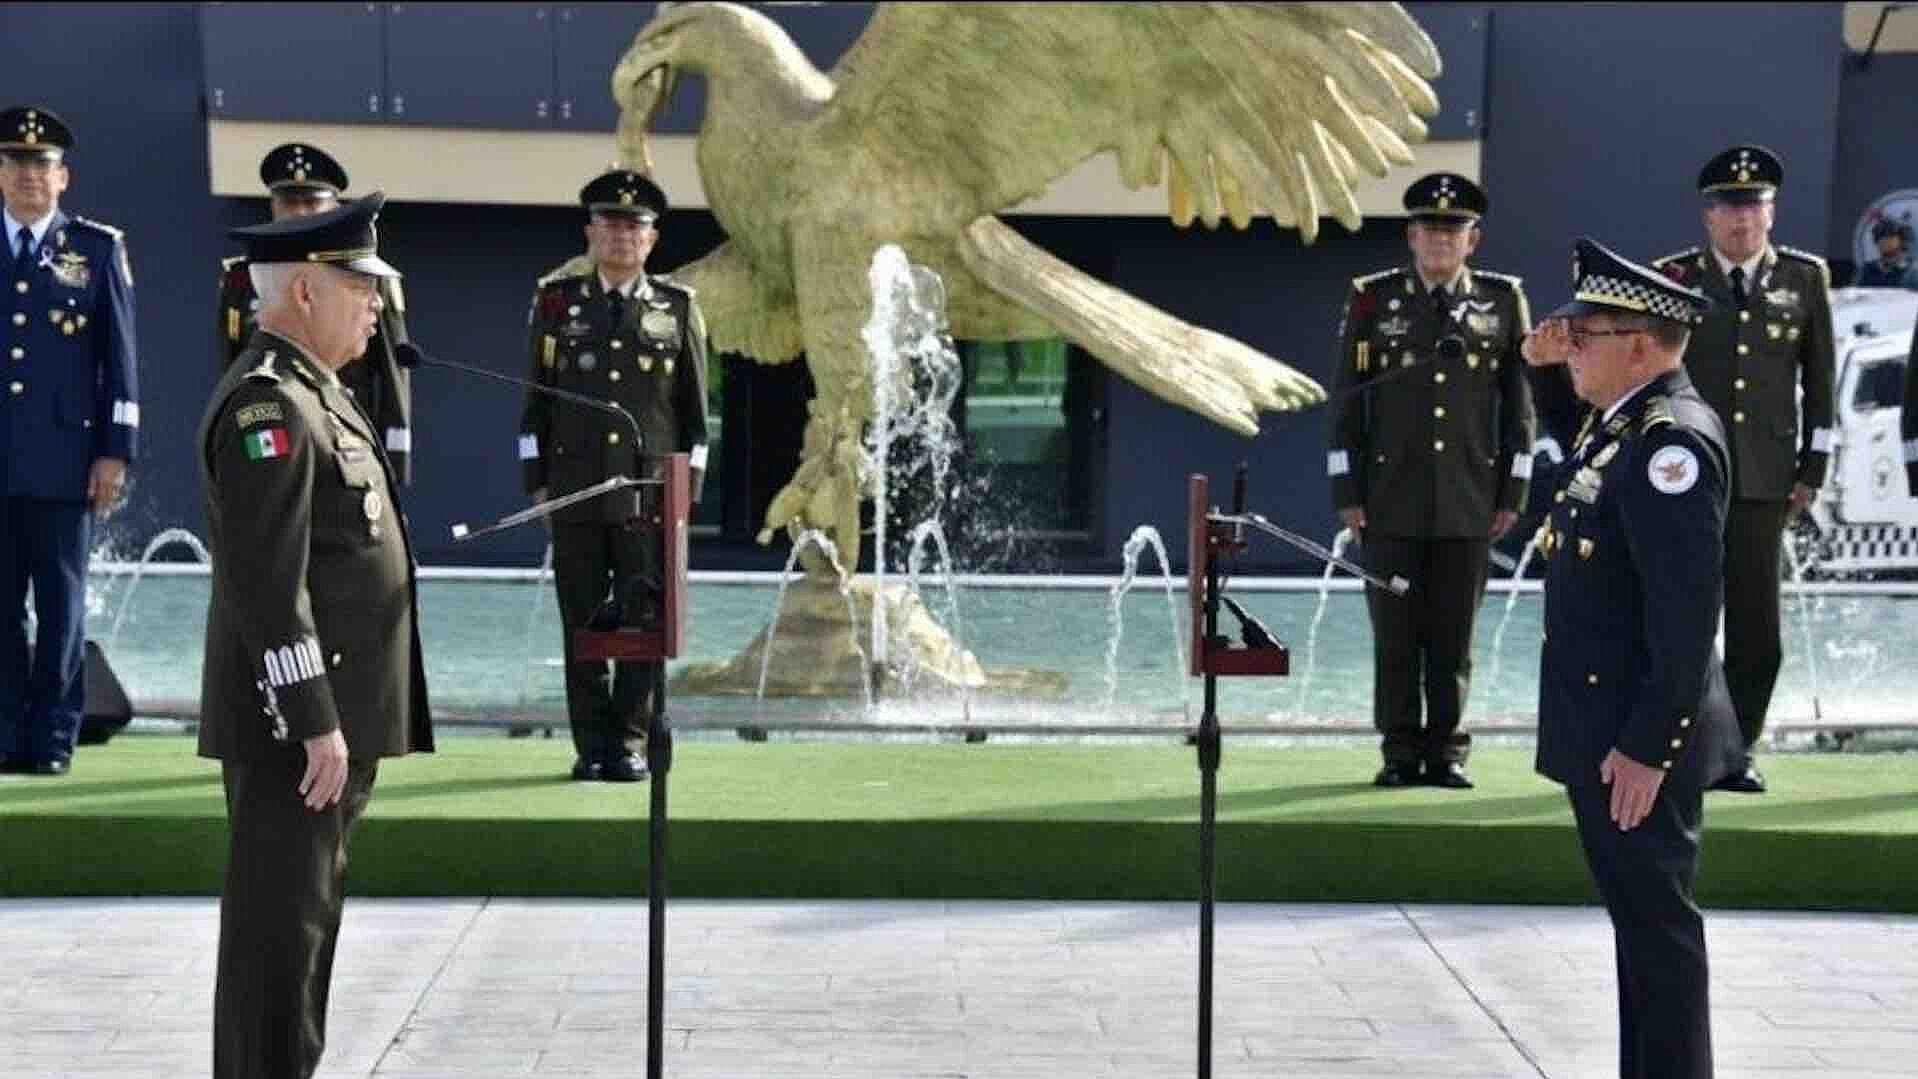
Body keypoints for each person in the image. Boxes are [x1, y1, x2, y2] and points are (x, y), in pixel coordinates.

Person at [196, 192, 432, 1079]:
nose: (374, 300)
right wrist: (312, 716)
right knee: (277, 943)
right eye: (357, 283)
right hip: (298, 733)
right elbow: (266, 583)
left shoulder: (316, 392)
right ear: (304, 292)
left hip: (328, 727)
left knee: (304, 933)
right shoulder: (270, 406)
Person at [1521, 236, 1743, 1079]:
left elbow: (1686, 617)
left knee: (1658, 933)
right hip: (1609, 727)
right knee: (1639, 932)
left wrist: (1651, 743)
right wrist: (1549, 370)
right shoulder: (1625, 427)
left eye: (1586, 335)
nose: (1569, 345)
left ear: (1642, 346)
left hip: (1636, 740)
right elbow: (1581, 458)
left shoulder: (1668, 444)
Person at [1327, 172, 1535, 788]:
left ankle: (1446, 752)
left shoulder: (1502, 301)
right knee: (1395, 638)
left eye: (1454, 229)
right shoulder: (1373, 299)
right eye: (1429, 229)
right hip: (1388, 499)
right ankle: (1398, 751)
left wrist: (1513, 492)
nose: (1441, 240)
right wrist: (1348, 492)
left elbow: (1518, 407)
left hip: (1470, 499)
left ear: (1474, 239)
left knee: (1453, 637)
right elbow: (1346, 403)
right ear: (1411, 236)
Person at [1649, 145, 1834, 793]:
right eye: (1729, 208)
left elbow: (1821, 382)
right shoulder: (1672, 278)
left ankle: (1737, 750)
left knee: (1759, 630)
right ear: (1709, 217)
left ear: (1771, 213)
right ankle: (1680, 746)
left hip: (1764, 478)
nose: (1741, 220)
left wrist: (1814, 466)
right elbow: (1651, 376)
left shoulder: (1805, 280)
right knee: (1685, 622)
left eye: (1753, 206)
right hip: (1686, 477)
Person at [519, 169, 709, 783]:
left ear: (652, 240)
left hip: (648, 495)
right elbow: (535, 404)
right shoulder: (555, 302)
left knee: (642, 621)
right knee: (581, 618)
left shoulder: (678, 308)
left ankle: (627, 741)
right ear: (589, 233)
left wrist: (686, 494)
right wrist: (538, 484)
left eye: (635, 226)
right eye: (610, 224)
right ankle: (589, 744)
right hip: (575, 489)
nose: (622, 235)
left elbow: (695, 418)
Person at [0, 104, 137, 777]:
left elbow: (120, 359)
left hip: (65, 465)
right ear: (0, 174)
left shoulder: (96, 250)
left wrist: (116, 451)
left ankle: (53, 735)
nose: (29, 175)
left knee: (60, 608)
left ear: (64, 178)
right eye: (17, 163)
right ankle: (3, 731)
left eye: (42, 164)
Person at [218, 143, 417, 483]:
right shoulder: (242, 277)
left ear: (334, 206)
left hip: (348, 432)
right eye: (288, 203)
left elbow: (392, 370)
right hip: (275, 428)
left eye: (311, 203)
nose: (298, 214)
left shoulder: (362, 278)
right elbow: (233, 366)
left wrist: (393, 464)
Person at [1857, 217, 1918, 289]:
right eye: (1879, 236)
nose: (1883, 240)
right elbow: (1856, 296)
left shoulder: (1913, 271)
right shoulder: (1867, 271)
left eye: (1890, 235)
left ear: (1902, 239)